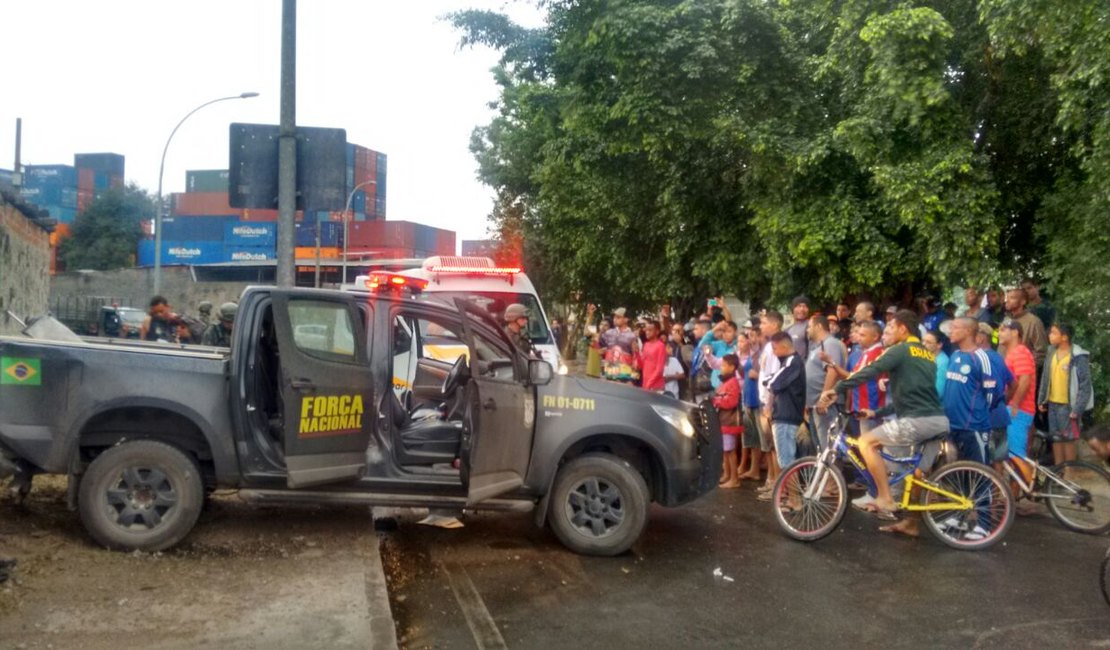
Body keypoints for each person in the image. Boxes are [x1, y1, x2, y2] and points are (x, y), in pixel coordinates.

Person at [819, 310, 948, 534]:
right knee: (916, 475)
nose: (885, 333)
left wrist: (837, 389)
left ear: (903, 329)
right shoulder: (927, 355)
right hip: (937, 420)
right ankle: (911, 523)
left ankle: (885, 498)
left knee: (866, 442)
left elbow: (870, 371)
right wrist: (876, 412)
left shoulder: (901, 349)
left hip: (918, 421)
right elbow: (911, 396)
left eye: (889, 328)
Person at [1037, 322, 1094, 468]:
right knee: (1056, 439)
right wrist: (1042, 399)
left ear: (1064, 337)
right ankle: (1058, 472)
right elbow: (1045, 378)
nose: (1050, 335)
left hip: (1069, 407)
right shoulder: (1051, 352)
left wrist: (1077, 409)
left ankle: (1070, 474)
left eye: (1054, 333)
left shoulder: (1078, 357)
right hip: (1053, 404)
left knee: (1069, 439)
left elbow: (1084, 385)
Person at [759, 332, 805, 501]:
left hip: (786, 416)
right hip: (785, 415)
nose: (774, 352)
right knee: (786, 459)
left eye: (775, 348)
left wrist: (767, 380)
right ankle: (793, 499)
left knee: (787, 461)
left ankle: (795, 501)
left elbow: (773, 382)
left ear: (784, 346)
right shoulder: (788, 362)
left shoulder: (792, 361)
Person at [806, 315, 846, 452]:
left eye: (810, 326)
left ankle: (833, 473)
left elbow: (833, 371)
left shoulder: (830, 343)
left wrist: (824, 398)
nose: (807, 330)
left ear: (818, 326)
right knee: (821, 447)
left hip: (826, 405)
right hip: (816, 405)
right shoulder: (817, 347)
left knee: (829, 447)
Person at [756, 311, 786, 494]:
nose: (761, 326)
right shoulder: (768, 346)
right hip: (764, 399)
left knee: (776, 446)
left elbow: (775, 377)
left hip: (771, 402)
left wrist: (769, 403)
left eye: (764, 322)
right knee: (769, 446)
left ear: (775, 325)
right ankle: (772, 480)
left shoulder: (777, 346)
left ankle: (779, 487)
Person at [977, 322, 1013, 467]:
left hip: (987, 418)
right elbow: (1013, 383)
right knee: (998, 462)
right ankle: (999, 490)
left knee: (986, 463)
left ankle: (993, 490)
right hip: (1001, 415)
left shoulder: (981, 358)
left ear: (981, 338)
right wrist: (1003, 400)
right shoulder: (998, 357)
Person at [999, 319, 1036, 461]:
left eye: (1003, 330)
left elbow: (1025, 380)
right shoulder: (1012, 353)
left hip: (1019, 410)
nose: (999, 333)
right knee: (1012, 454)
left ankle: (1024, 483)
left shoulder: (1020, 352)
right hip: (1014, 408)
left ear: (1015, 333)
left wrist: (1015, 403)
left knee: (1017, 457)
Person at [712, 354, 744, 489]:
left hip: (729, 422)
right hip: (724, 421)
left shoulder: (733, 383)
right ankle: (727, 474)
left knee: (730, 451)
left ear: (732, 368)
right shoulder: (726, 382)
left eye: (724, 365)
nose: (721, 367)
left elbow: (731, 402)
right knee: (726, 450)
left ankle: (734, 479)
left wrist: (717, 401)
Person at [738, 326, 765, 481]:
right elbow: (745, 374)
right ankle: (753, 469)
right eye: (749, 336)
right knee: (752, 438)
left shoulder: (763, 354)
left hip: (758, 400)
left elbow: (767, 374)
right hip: (748, 398)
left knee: (762, 439)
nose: (751, 339)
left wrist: (758, 374)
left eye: (753, 336)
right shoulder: (753, 354)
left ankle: (761, 472)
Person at [1002, 288, 1047, 371]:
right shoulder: (1006, 319)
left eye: (1012, 298)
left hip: (1022, 373)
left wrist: (1023, 367)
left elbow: (1041, 353)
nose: (1007, 301)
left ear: (1023, 302)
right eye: (1007, 298)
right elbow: (1000, 345)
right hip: (1003, 373)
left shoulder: (1033, 322)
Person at [600, 308, 640, 382]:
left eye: (618, 317)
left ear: (626, 319)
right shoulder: (608, 333)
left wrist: (632, 380)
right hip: (608, 375)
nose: (615, 319)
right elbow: (598, 349)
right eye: (614, 317)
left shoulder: (632, 336)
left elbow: (636, 359)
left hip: (624, 377)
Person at [639, 320, 668, 393]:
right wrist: (636, 353)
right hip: (646, 384)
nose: (647, 332)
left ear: (657, 332)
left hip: (656, 386)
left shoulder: (661, 346)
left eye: (650, 330)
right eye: (646, 330)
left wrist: (649, 384)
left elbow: (659, 370)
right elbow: (641, 365)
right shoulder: (645, 345)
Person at [923, 330, 949, 397]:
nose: (923, 344)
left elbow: (938, 391)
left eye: (928, 342)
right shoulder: (925, 356)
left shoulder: (942, 362)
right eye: (923, 341)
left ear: (939, 345)